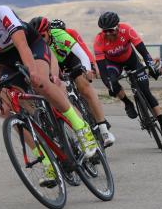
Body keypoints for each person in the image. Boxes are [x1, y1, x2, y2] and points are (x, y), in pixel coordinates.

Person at [0, 0, 98, 186]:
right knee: (8, 110)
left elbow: (23, 47)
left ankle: (81, 128)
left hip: (31, 46)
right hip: (6, 60)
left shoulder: (3, 14)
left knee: (42, 84)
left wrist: (33, 73)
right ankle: (47, 162)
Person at [29, 16, 115, 148]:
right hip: (55, 67)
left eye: (43, 35)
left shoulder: (60, 34)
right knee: (60, 96)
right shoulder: (37, 44)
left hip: (71, 59)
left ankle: (104, 130)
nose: (41, 39)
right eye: (38, 36)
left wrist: (87, 69)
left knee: (84, 87)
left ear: (49, 31)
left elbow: (81, 54)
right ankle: (81, 133)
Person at [93, 12, 162, 139]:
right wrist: (109, 84)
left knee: (146, 92)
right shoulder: (99, 41)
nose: (108, 34)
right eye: (105, 31)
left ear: (117, 27)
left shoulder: (127, 30)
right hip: (113, 63)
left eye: (110, 30)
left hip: (132, 60)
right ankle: (127, 103)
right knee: (112, 81)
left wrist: (151, 66)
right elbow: (103, 70)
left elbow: (143, 51)